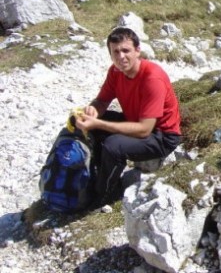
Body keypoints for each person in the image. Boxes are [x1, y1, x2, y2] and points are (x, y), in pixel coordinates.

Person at [75, 27, 181, 207]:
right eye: (115, 51)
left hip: (162, 136)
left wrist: (99, 123)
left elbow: (144, 129)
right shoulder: (115, 72)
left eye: (126, 50)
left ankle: (104, 193)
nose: (121, 56)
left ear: (137, 50)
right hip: (136, 121)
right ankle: (96, 173)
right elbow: (102, 100)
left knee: (113, 146)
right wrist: (93, 111)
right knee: (89, 126)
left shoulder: (151, 78)